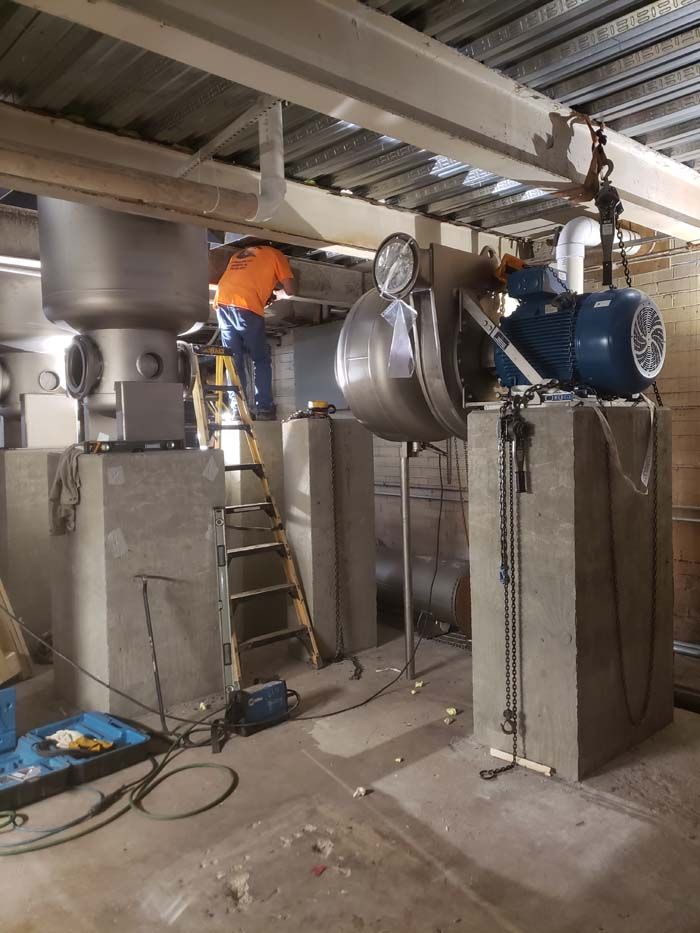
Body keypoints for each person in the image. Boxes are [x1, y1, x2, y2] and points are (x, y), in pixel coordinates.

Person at [213, 241, 295, 420]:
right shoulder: (277, 255)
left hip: (222, 301)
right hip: (246, 304)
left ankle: (238, 411)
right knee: (261, 359)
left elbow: (245, 279)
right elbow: (290, 291)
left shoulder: (239, 254)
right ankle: (264, 408)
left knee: (235, 361)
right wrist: (277, 295)